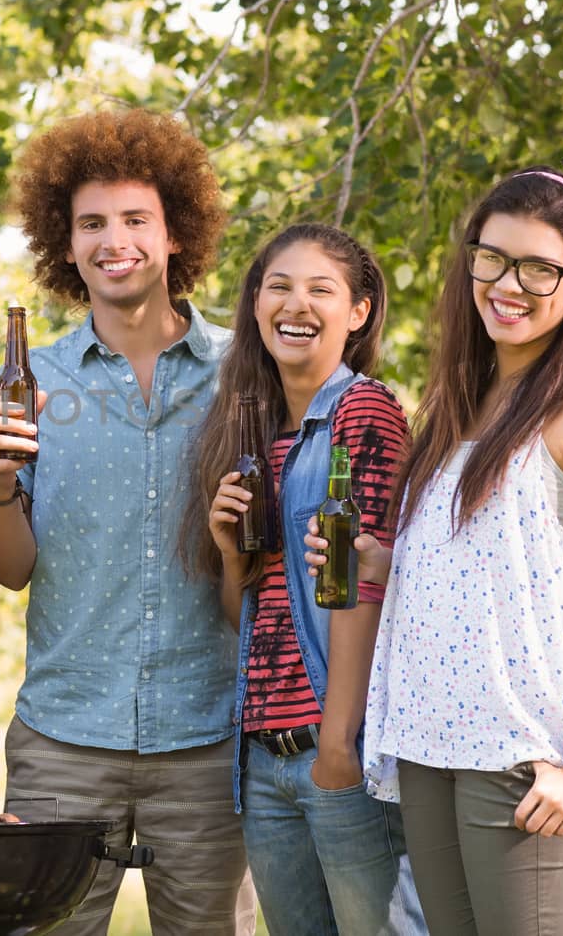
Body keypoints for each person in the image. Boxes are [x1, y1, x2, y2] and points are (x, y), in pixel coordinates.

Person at [348, 163, 563, 934]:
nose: (508, 283)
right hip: (425, 739)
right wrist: (380, 562)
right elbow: (483, 562)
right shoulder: (457, 400)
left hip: (516, 750)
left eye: (539, 268)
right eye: (493, 256)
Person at [0, 108, 258, 934]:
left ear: (176, 235)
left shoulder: (244, 372)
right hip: (63, 738)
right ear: (64, 245)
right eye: (91, 223)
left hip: (207, 738)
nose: (114, 240)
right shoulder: (31, 382)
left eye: (136, 219)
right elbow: (12, 568)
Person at [183, 224, 425, 936]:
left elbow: (364, 587)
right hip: (263, 758)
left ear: (358, 312)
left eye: (322, 289)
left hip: (334, 747)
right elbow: (249, 617)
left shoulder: (364, 410)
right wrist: (232, 555)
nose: (297, 304)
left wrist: (340, 744)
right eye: (279, 285)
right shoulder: (256, 436)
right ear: (256, 303)